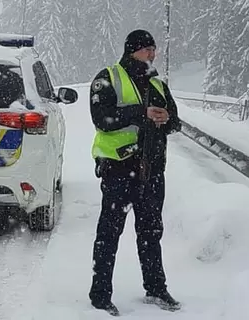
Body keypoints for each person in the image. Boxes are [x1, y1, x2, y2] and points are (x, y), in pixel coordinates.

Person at [88, 29, 182, 316]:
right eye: (146, 50)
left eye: (153, 49)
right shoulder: (108, 78)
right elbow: (101, 119)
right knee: (109, 233)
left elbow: (175, 121)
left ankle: (155, 288)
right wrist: (141, 114)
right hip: (119, 168)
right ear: (132, 51)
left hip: (152, 171)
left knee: (151, 232)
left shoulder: (158, 83)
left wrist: (167, 119)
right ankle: (100, 295)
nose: (152, 54)